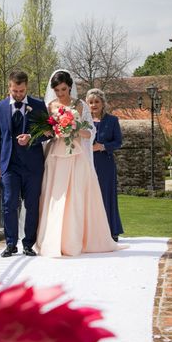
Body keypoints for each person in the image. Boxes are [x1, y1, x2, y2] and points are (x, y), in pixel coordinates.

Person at [35, 70, 126, 257]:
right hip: (56, 156)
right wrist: (55, 131)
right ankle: (54, 240)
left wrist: (73, 129)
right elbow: (47, 132)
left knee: (76, 195)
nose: (61, 93)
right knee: (56, 195)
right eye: (57, 90)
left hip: (77, 155)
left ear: (70, 87)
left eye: (64, 89)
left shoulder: (80, 105)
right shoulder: (49, 105)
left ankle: (76, 239)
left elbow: (90, 132)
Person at [0, 70, 48, 257]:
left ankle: (28, 244)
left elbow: (48, 131)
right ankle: (11, 243)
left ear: (26, 87)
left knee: (32, 205)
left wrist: (31, 138)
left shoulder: (38, 105)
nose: (18, 94)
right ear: (9, 87)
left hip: (33, 166)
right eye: (15, 91)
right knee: (9, 203)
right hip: (9, 166)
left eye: (21, 91)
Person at [88, 88, 124, 241]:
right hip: (86, 163)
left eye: (97, 101)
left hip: (105, 164)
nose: (94, 105)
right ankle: (90, 232)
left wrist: (102, 146)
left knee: (106, 196)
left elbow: (118, 142)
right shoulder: (83, 122)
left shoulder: (112, 120)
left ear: (103, 103)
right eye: (90, 102)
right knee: (88, 197)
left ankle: (111, 231)